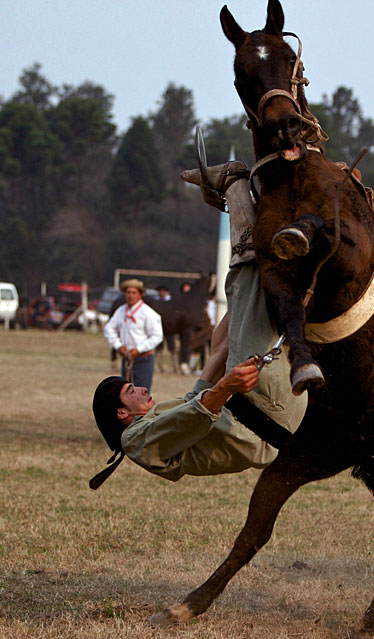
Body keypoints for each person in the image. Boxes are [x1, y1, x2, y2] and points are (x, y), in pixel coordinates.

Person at [91, 160, 307, 487]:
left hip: (266, 414)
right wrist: (227, 386)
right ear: (122, 414)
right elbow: (199, 412)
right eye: (131, 391)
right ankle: (236, 186)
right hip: (264, 419)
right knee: (246, 275)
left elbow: (209, 373)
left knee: (240, 293)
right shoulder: (135, 441)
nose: (143, 389)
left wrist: (237, 308)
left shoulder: (157, 415)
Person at [103, 279, 164, 391]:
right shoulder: (121, 311)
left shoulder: (148, 313)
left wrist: (139, 349)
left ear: (140, 295)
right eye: (128, 292)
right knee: (126, 393)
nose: (130, 295)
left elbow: (157, 336)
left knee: (141, 393)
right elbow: (109, 328)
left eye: (134, 293)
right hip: (127, 358)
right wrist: (118, 346)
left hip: (143, 359)